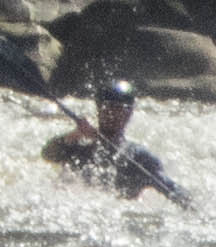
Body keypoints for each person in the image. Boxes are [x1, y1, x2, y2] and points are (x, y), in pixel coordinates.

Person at [42, 74, 186, 204]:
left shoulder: (140, 157)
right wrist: (75, 134)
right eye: (108, 108)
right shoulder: (78, 148)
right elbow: (48, 155)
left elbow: (173, 190)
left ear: (129, 114)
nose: (113, 114)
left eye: (120, 109)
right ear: (99, 110)